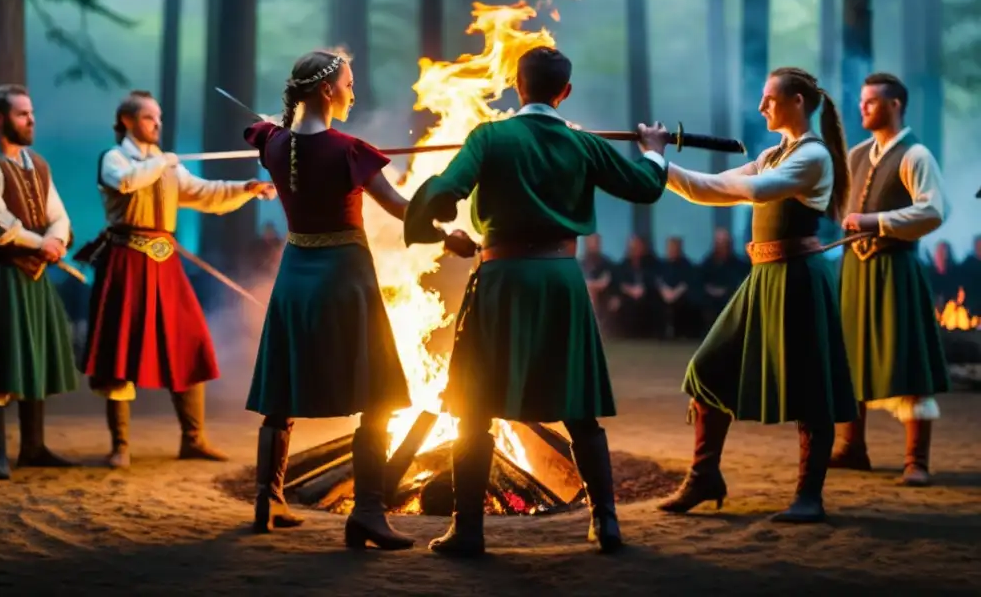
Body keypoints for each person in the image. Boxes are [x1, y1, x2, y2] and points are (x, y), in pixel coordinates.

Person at [403, 46, 671, 555]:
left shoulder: (488, 137)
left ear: (514, 83)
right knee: (579, 407)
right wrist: (654, 147)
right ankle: (606, 523)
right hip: (561, 282)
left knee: (475, 408)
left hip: (502, 280)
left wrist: (440, 230)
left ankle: (468, 531)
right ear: (564, 91)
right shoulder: (583, 145)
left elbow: (443, 193)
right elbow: (644, 186)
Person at [242, 51, 469, 547]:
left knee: (283, 391)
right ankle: (367, 511)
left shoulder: (273, 144)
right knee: (377, 393)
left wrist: (279, 130)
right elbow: (399, 207)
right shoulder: (349, 151)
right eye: (348, 83)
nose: (353, 92)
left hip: (295, 274)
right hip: (345, 278)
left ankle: (268, 498)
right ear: (326, 91)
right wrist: (447, 235)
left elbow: (265, 134)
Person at [655, 67, 858, 523]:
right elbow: (712, 190)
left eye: (769, 98)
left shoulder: (813, 157)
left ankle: (810, 497)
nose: (762, 106)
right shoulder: (773, 154)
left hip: (800, 278)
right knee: (706, 369)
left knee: (811, 386)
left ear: (798, 102)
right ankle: (705, 476)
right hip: (764, 276)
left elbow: (754, 190)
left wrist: (660, 162)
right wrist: (660, 165)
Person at [76, 90, 275, 468]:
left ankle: (193, 439)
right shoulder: (115, 159)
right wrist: (162, 162)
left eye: (159, 118)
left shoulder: (165, 165)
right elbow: (126, 183)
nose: (157, 124)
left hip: (164, 264)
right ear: (129, 121)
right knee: (121, 351)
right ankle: (120, 446)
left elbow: (203, 193)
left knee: (189, 341)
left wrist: (247, 189)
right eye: (150, 118)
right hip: (125, 262)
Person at [832, 72, 951, 486]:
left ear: (894, 105)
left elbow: (934, 212)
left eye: (871, 101)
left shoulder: (916, 155)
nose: (863, 107)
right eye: (862, 101)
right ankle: (852, 447)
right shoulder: (857, 154)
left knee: (907, 360)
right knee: (850, 358)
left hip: (895, 270)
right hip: (855, 271)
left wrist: (876, 221)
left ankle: (916, 460)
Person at [0, 85, 79, 478]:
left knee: (34, 358)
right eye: (22, 114)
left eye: (31, 113)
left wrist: (57, 238)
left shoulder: (37, 165)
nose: (31, 120)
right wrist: (39, 242)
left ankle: (33, 447)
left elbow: (56, 213)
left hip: (34, 276)